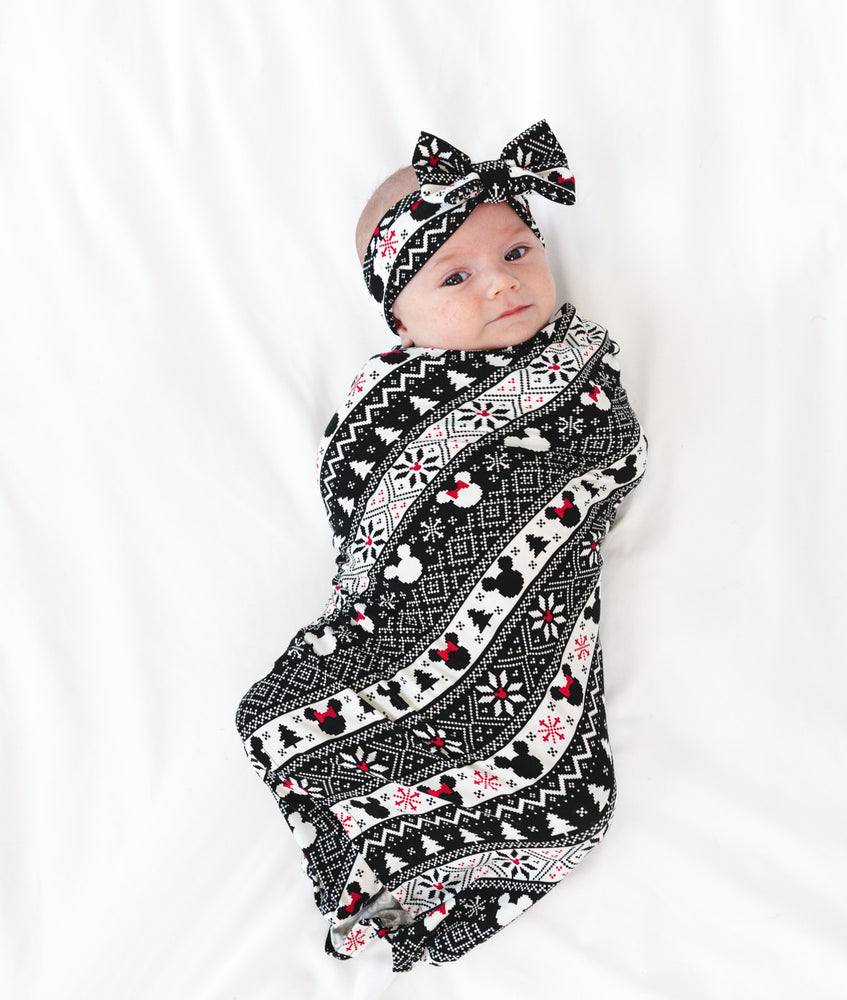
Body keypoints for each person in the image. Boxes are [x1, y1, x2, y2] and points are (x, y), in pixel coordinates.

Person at [236, 121, 647, 973]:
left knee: (542, 771)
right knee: (295, 715)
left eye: (518, 253)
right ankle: (372, 835)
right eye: (455, 276)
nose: (501, 284)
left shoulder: (577, 369)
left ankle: (473, 824)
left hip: (521, 610)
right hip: (401, 611)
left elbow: (606, 450)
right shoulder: (390, 396)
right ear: (402, 319)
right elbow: (358, 484)